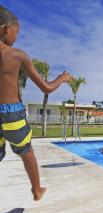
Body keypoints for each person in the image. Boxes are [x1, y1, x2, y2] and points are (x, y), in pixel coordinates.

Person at [0, 5, 73, 201]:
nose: (17, 36)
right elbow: (46, 88)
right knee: (27, 151)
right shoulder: (16, 55)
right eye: (17, 31)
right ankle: (37, 189)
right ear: (6, 28)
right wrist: (62, 78)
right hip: (11, 114)